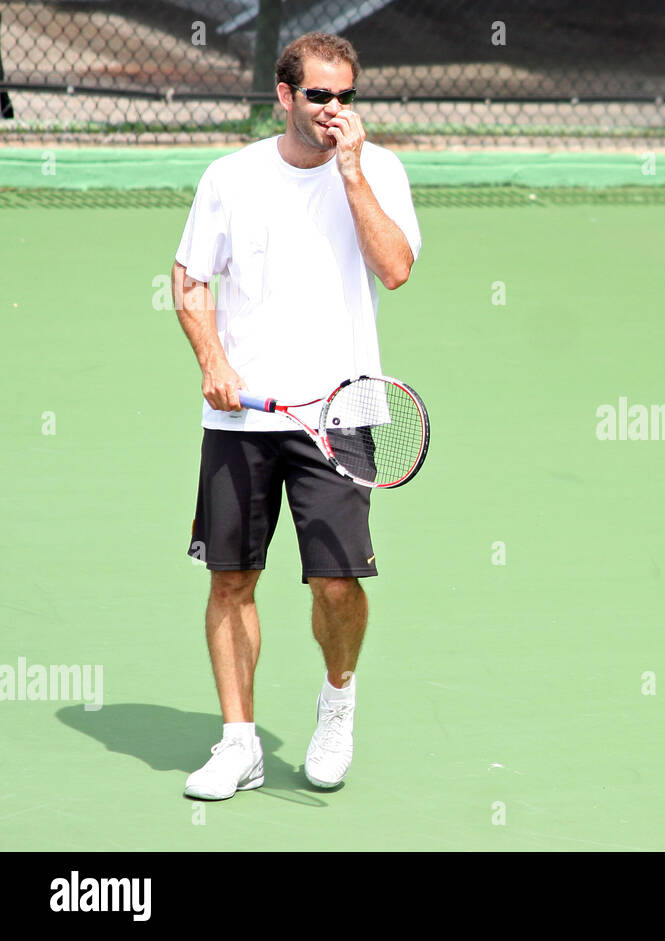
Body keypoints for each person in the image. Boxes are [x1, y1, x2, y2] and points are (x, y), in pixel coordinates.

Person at [172, 32, 420, 799]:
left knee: (337, 584)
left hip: (342, 411)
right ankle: (239, 741)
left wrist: (349, 173)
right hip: (242, 420)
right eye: (319, 96)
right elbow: (189, 278)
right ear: (285, 96)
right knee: (230, 580)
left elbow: (396, 268)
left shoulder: (378, 170)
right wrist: (212, 359)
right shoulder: (231, 177)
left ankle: (337, 699)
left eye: (346, 96)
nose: (334, 110)